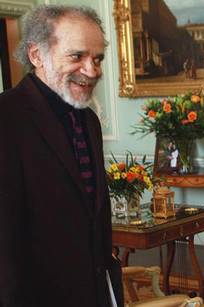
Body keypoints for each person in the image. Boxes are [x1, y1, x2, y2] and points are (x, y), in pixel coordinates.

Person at [0, 5, 123, 307]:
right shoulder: (6, 118)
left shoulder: (88, 120)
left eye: (97, 58)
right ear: (36, 55)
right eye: (77, 56)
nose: (92, 70)